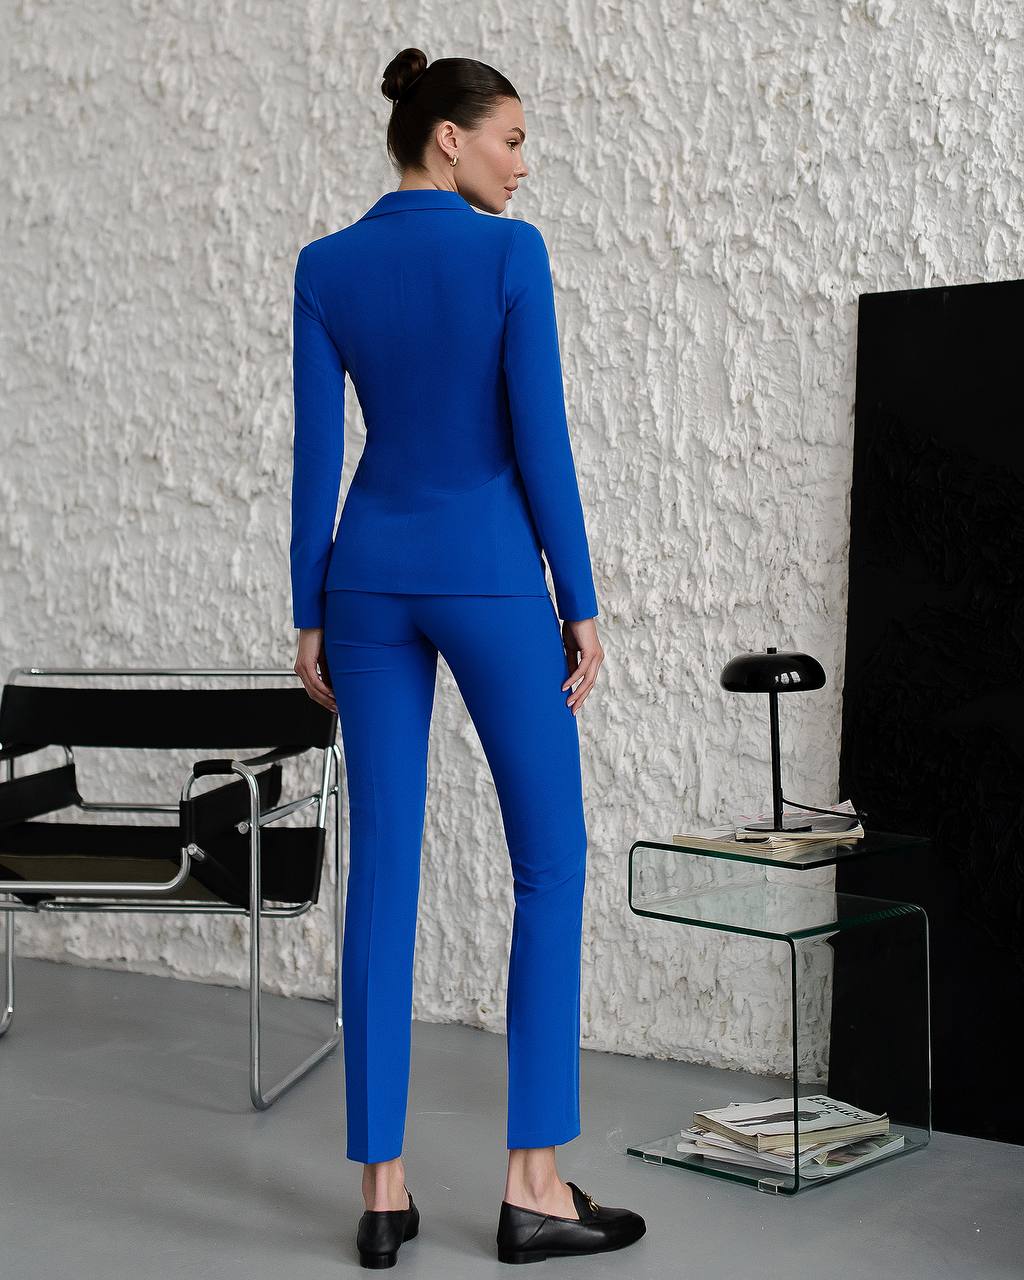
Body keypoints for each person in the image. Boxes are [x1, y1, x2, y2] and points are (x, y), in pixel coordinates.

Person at [289, 48, 645, 1268]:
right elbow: (538, 439)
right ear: (449, 138)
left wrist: (308, 609)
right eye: (509, 140)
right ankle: (531, 1184)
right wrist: (581, 599)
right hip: (490, 576)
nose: (522, 162)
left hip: (369, 579)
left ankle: (383, 1194)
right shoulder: (509, 255)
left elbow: (313, 456)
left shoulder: (326, 266)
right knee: (549, 863)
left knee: (383, 870)